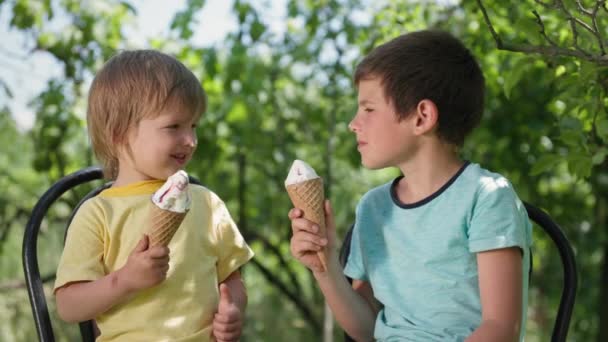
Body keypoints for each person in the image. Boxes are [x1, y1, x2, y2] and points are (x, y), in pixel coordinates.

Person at [288, 30, 532, 341]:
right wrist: (325, 268)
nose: (353, 123)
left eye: (368, 109)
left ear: (422, 117)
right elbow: (367, 330)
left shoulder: (486, 197)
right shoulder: (373, 208)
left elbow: (500, 330)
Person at [54, 50, 254, 342]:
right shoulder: (97, 214)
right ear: (118, 133)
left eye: (193, 126)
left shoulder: (207, 204)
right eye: (174, 126)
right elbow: (68, 306)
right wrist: (124, 280)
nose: (191, 140)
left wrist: (232, 310)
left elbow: (232, 282)